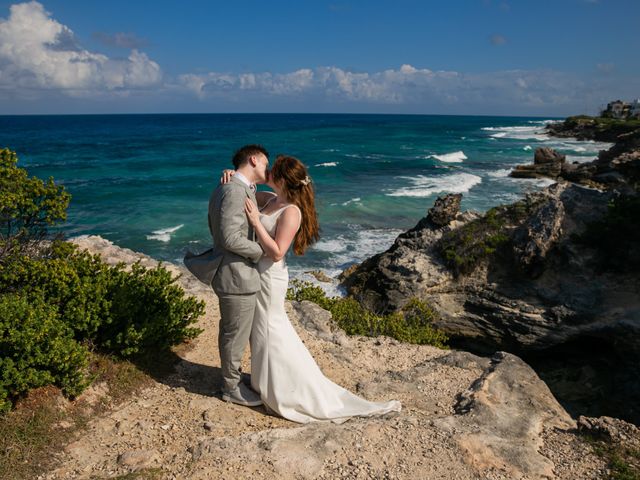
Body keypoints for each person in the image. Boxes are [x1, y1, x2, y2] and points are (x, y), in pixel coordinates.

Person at [224, 155, 401, 423]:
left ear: (283, 179)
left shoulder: (292, 212)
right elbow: (247, 191)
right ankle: (266, 383)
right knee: (260, 331)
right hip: (258, 274)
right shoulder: (272, 199)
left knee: (271, 329)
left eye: (274, 171)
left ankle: (289, 391)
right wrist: (232, 175)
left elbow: (277, 252)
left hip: (270, 276)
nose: (268, 172)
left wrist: (256, 223)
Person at [205, 144, 270, 407]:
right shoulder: (233, 190)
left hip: (237, 274)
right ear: (254, 160)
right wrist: (260, 250)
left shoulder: (238, 187)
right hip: (236, 276)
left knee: (235, 331)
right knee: (234, 334)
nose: (268, 167)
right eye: (266, 163)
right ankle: (230, 388)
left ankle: (232, 377)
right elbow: (229, 237)